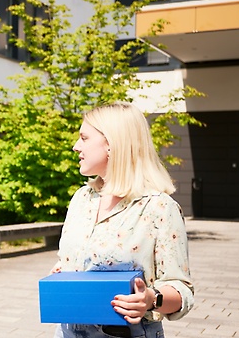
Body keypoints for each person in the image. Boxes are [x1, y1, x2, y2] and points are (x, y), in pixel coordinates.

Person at [51, 102, 195, 338]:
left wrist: (151, 298)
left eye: (84, 138)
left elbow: (182, 292)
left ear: (112, 144)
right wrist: (63, 271)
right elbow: (70, 261)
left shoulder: (159, 207)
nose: (76, 146)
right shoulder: (81, 199)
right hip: (67, 331)